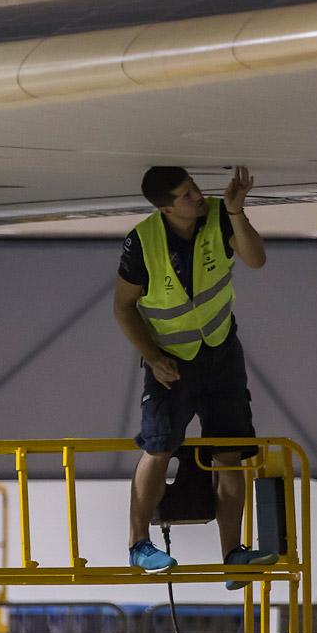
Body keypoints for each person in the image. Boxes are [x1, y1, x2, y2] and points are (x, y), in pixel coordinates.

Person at [113, 164, 269, 587]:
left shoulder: (219, 216)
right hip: (171, 361)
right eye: (185, 195)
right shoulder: (142, 242)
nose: (197, 196)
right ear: (166, 207)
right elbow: (123, 307)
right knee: (159, 447)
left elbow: (256, 259)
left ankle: (233, 554)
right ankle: (138, 545)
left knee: (230, 452)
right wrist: (152, 354)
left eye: (195, 188)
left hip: (221, 351)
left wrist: (237, 211)